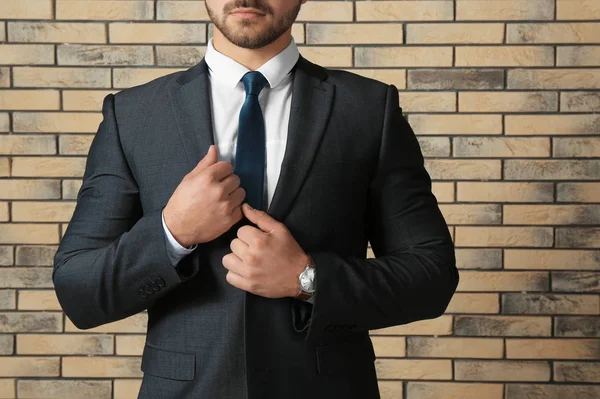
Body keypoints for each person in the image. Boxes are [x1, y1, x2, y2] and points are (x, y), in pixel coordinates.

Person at [52, 0, 459, 397]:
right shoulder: (133, 114)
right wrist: (172, 232)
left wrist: (308, 279)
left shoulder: (369, 109)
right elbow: (78, 290)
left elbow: (431, 275)